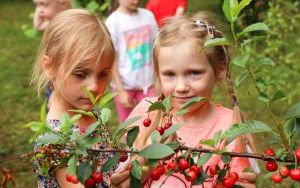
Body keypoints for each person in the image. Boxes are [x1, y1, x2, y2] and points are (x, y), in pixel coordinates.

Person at [110, 12, 257, 188]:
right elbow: (119, 181)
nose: (180, 87)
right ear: (158, 73)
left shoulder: (232, 127)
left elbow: (239, 181)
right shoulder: (147, 113)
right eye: (169, 74)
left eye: (194, 73)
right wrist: (149, 158)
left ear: (220, 69)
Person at [32, 9, 117, 187]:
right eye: (80, 74)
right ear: (50, 67)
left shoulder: (91, 110)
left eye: (103, 74)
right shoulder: (56, 141)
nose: (94, 86)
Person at [105, 0, 158, 123]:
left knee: (153, 123)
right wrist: (121, 91)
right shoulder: (113, 22)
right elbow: (112, 59)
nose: (135, 1)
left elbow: (157, 48)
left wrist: (159, 79)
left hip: (149, 84)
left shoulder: (148, 16)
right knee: (128, 126)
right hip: (125, 87)